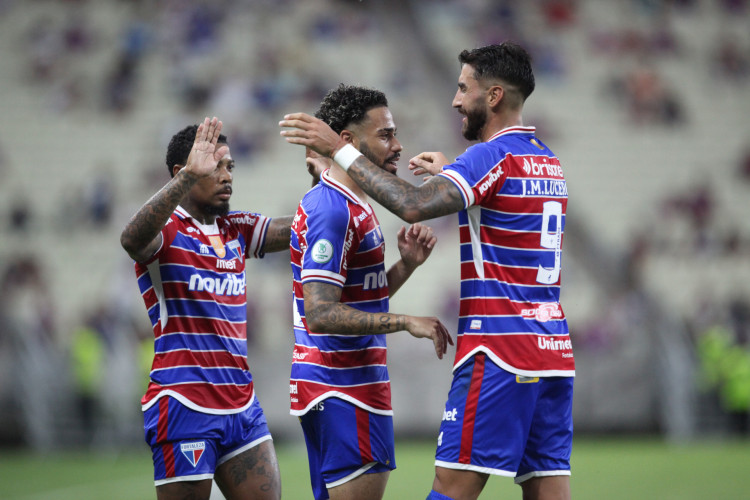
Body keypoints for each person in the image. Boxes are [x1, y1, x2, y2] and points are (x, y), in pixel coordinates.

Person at [280, 43, 574, 500]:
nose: (456, 100)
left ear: (493, 96)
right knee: (548, 487)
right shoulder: (546, 158)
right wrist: (453, 173)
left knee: (450, 488)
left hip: (499, 349)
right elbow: (500, 204)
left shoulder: (489, 157)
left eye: (463, 88)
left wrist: (338, 152)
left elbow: (414, 205)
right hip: (553, 350)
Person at [288, 84, 453, 500]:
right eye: (385, 135)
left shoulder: (354, 203)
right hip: (345, 389)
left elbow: (355, 298)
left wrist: (405, 267)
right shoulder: (334, 209)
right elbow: (321, 313)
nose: (397, 146)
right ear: (346, 142)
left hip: (342, 386)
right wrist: (406, 322)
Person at [120, 117, 291, 500]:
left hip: (241, 405)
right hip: (184, 403)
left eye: (230, 166)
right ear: (184, 172)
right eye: (215, 166)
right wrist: (182, 181)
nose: (227, 175)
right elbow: (130, 239)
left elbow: (303, 228)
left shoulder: (236, 229)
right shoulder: (165, 231)